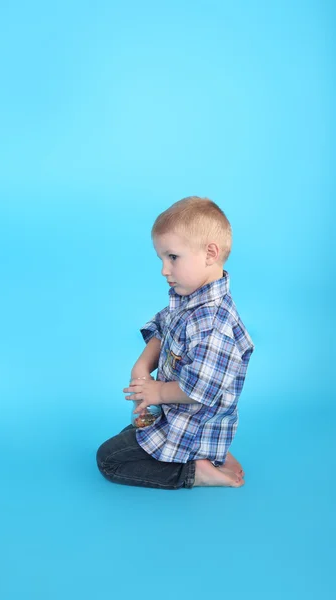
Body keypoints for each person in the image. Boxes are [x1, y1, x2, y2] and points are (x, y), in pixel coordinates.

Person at [96, 196, 255, 490]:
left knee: (109, 459)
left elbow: (201, 389)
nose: (164, 270)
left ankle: (197, 471)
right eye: (161, 259)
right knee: (128, 433)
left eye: (173, 257)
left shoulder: (213, 325)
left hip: (191, 424)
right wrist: (143, 364)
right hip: (177, 416)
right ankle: (211, 455)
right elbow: (162, 327)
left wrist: (157, 391)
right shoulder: (189, 298)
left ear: (210, 253)